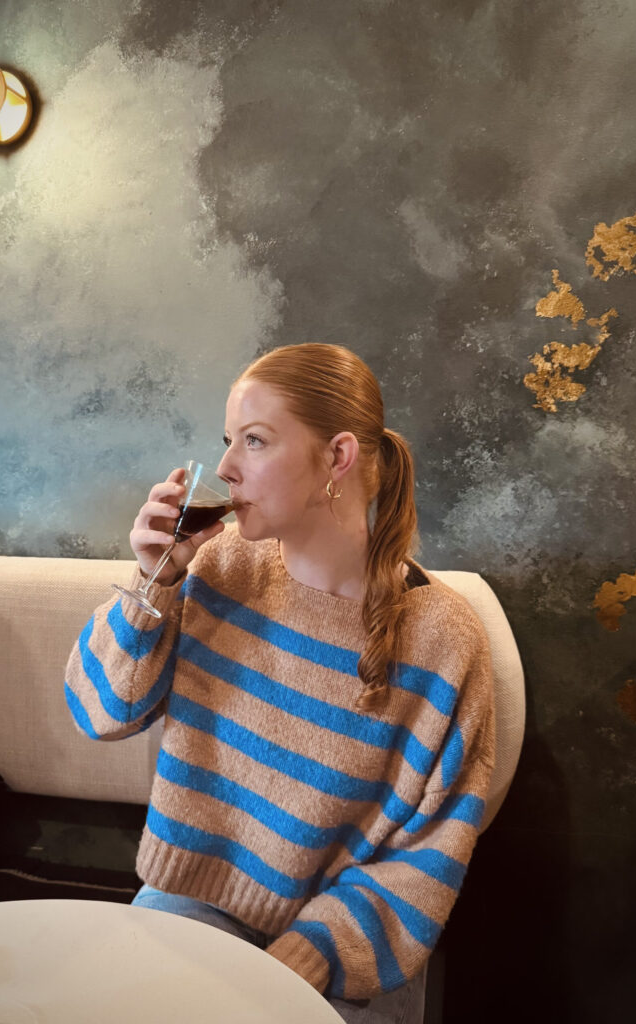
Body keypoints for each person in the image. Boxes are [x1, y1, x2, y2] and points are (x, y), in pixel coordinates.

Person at [64, 343, 495, 1023]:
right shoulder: (218, 566)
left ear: (337, 458)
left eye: (255, 441)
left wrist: (323, 944)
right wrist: (154, 584)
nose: (227, 468)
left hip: (344, 945)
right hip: (191, 903)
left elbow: (434, 841)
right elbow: (100, 713)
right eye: (227, 441)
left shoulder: (443, 638)